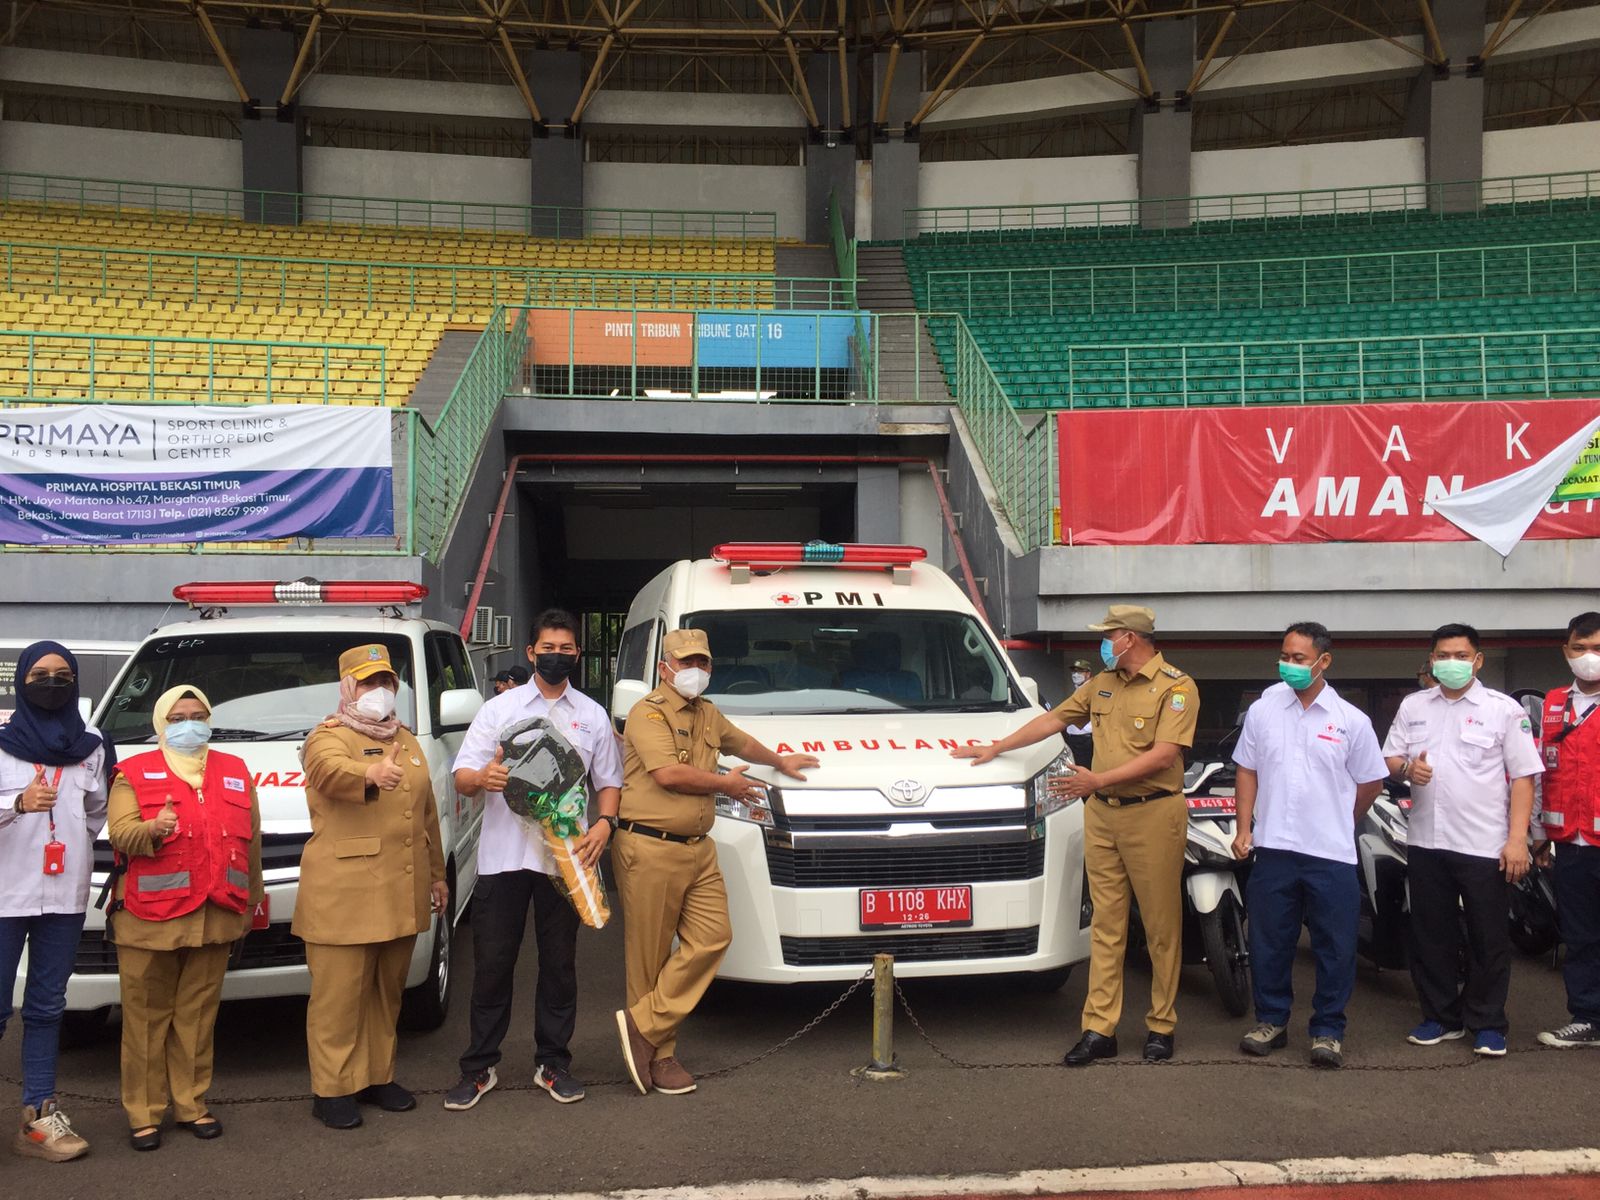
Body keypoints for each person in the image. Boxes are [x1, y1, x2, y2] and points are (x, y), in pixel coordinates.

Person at [953, 604, 1198, 1065]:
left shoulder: (1177, 688)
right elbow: (1053, 720)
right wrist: (997, 747)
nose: (1103, 644)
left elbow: (1165, 756)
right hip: (1103, 815)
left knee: (1161, 925)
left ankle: (1161, 1024)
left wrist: (1098, 781)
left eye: (1109, 635)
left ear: (1130, 638)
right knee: (1106, 924)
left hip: (1153, 813)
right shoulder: (1101, 685)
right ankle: (1099, 1028)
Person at [614, 628, 818, 1096]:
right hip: (650, 845)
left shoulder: (707, 712)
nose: (695, 671)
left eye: (703, 663)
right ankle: (662, 1057)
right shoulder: (649, 712)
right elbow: (668, 774)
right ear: (665, 666)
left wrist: (779, 761)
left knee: (713, 937)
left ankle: (642, 1025)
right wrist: (725, 785)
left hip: (697, 848)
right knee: (647, 959)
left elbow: (741, 743)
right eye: (686, 662)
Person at [444, 610, 623, 1110]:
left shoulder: (591, 714)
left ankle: (553, 1063)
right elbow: (461, 775)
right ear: (530, 652)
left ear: (577, 655)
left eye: (567, 649)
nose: (557, 656)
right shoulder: (498, 710)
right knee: (493, 966)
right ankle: (479, 1068)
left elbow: (609, 781)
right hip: (503, 860)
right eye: (549, 647)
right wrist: (483, 779)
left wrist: (605, 824)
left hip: (564, 860)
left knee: (559, 966)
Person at [293, 644, 447, 1129]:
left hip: (400, 890)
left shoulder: (405, 737)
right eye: (367, 682)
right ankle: (333, 1088)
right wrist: (371, 772)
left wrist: (439, 875)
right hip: (346, 894)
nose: (378, 691)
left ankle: (377, 1076)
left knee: (386, 993)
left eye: (386, 682)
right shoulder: (327, 737)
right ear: (347, 688)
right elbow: (325, 772)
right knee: (340, 998)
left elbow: (426, 815)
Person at [107, 685, 263, 1151]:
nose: (189, 724)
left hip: (214, 915)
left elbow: (250, 841)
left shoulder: (234, 770)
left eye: (197, 715)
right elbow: (120, 833)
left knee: (197, 1017)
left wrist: (250, 902)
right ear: (161, 724)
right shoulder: (132, 773)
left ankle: (192, 1104)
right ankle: (144, 1113)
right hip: (148, 919)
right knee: (146, 1021)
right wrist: (152, 829)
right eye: (177, 717)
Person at [1231, 623, 1387, 1069]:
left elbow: (1371, 781)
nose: (1289, 665)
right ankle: (1272, 1021)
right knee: (1269, 941)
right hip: (1274, 846)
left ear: (1324, 661)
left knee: (1335, 945)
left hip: (1330, 853)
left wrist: (1342, 820)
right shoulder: (1264, 709)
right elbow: (1247, 769)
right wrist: (1245, 828)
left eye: (1299, 658)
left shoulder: (1350, 721)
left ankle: (1327, 1030)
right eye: (1285, 656)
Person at [1382, 623, 1541, 1058]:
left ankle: (1488, 1022)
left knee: (1488, 937)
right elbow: (1391, 757)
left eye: (1460, 655)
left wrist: (1517, 840)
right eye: (1442, 655)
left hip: (1485, 844)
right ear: (1431, 660)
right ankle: (1440, 1017)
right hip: (1427, 841)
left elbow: (1524, 778)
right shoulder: (1414, 705)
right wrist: (1406, 770)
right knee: (1431, 933)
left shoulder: (1502, 709)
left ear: (1478, 660)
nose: (1450, 663)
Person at [0, 641, 106, 1163]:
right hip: (3, 893)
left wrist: (66, 841)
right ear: (21, 682)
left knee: (46, 1007)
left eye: (62, 674)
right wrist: (16, 805)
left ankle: (39, 1116)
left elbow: (96, 813)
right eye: (39, 674)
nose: (51, 682)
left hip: (64, 896)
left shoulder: (90, 747)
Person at [1534, 611, 1600, 1049]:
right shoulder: (1554, 703)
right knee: (1580, 935)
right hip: (1571, 844)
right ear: (1565, 652)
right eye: (1579, 648)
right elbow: (1539, 771)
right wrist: (1538, 831)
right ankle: (1587, 1018)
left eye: (1597, 648)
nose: (1588, 657)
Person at [1063, 658, 1094, 767]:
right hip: (1075, 739)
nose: (1076, 674)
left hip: (1085, 739)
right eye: (1074, 671)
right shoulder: (1079, 689)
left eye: (1080, 671)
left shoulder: (1090, 690)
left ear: (1088, 674)